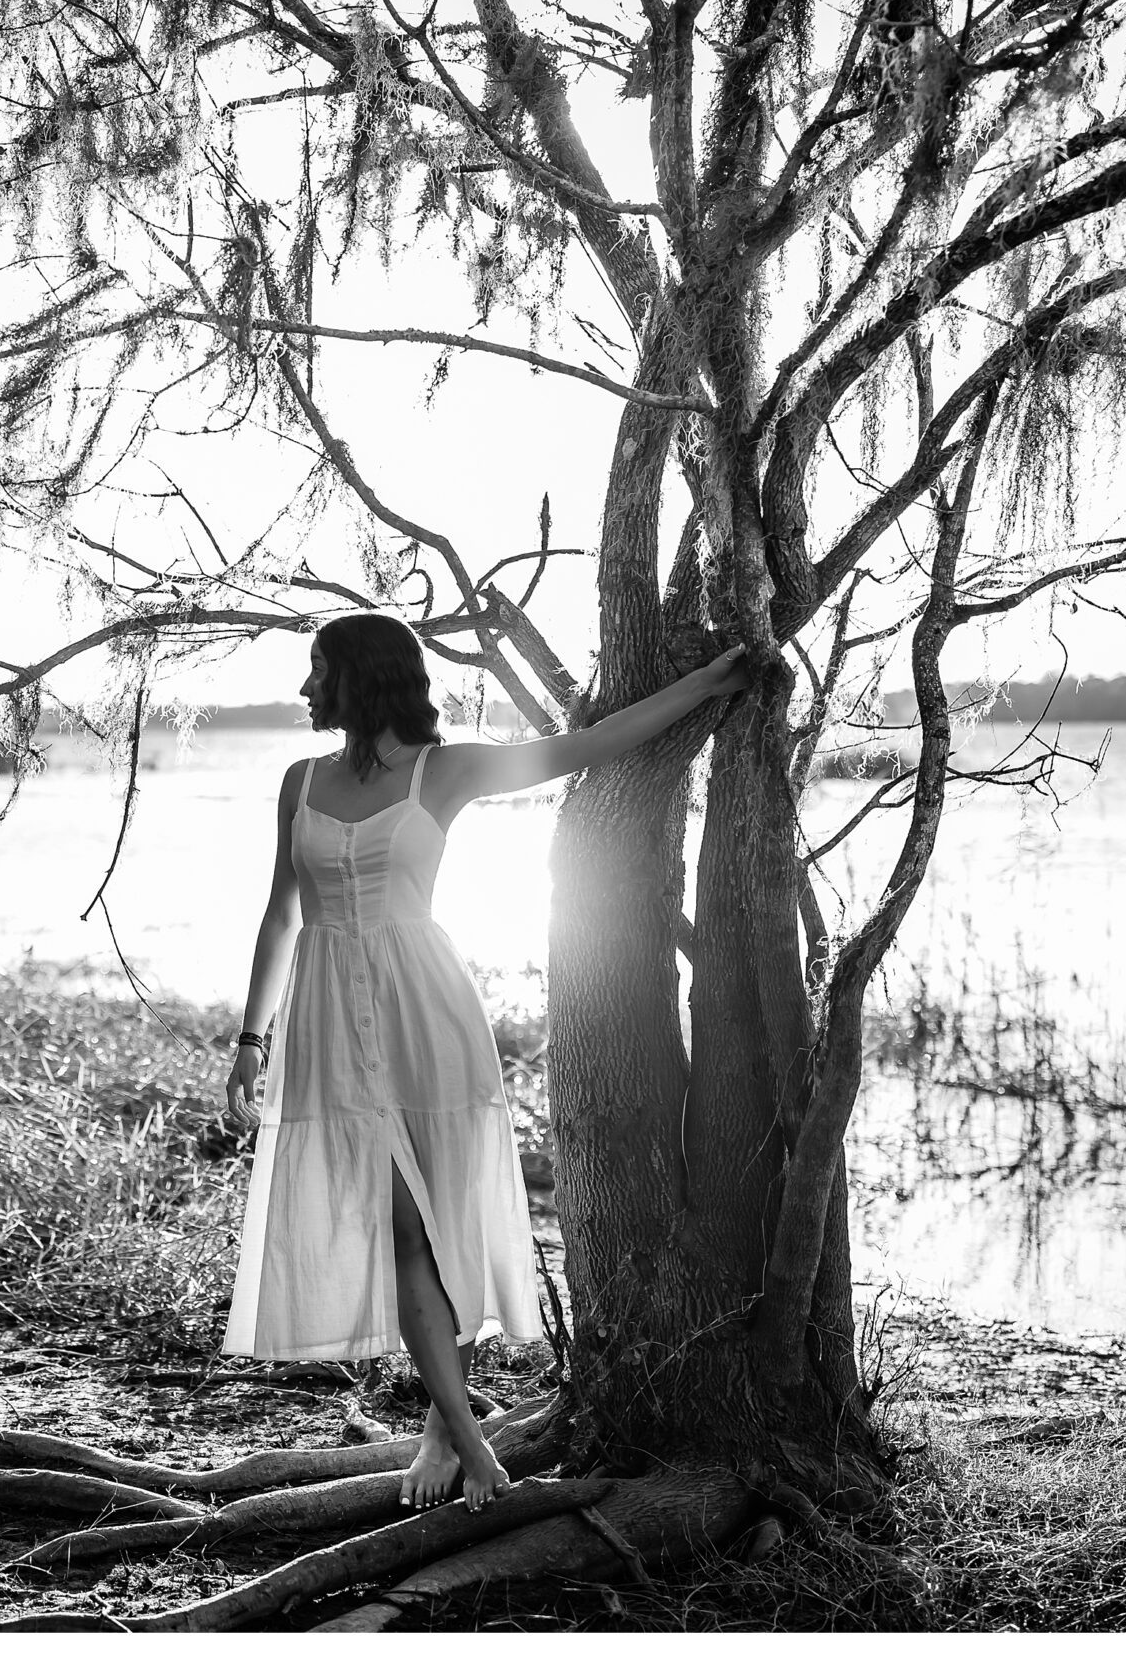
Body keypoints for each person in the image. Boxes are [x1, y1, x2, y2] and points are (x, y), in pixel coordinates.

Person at [220, 613, 749, 1512]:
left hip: (425, 1010)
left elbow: (583, 746)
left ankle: (444, 1435)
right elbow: (281, 915)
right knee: (399, 1227)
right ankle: (472, 1445)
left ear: (363, 678)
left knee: (445, 1219)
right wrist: (250, 1039)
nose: (306, 690)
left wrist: (704, 687)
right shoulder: (298, 780)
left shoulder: (446, 769)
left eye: (318, 672)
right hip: (326, 1022)